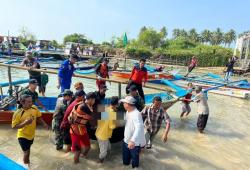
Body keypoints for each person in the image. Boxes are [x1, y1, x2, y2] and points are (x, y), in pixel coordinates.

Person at [11, 94, 49, 167]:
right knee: (27, 152)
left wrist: (44, 124)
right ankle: (26, 166)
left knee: (28, 150)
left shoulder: (34, 108)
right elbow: (14, 126)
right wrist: (25, 123)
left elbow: (38, 117)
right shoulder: (18, 113)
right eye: (28, 102)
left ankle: (26, 163)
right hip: (22, 136)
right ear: (22, 102)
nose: (31, 103)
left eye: (31, 101)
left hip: (31, 135)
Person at [68, 92, 96, 163]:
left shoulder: (86, 104)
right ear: (91, 99)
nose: (94, 102)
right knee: (77, 151)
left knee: (88, 147)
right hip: (75, 130)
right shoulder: (83, 106)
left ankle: (83, 157)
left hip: (82, 129)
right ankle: (76, 165)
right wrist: (109, 113)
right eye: (94, 100)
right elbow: (95, 117)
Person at [120, 96, 146, 168]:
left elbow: (139, 127)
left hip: (134, 143)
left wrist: (132, 140)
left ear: (128, 104)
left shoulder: (136, 114)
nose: (123, 104)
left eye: (124, 103)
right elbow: (125, 120)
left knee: (134, 163)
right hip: (126, 141)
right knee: (125, 162)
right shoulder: (128, 111)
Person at [95, 96, 118, 163]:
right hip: (103, 135)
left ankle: (105, 158)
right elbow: (111, 126)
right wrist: (117, 124)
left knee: (108, 148)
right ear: (116, 104)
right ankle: (100, 162)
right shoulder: (112, 113)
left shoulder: (104, 108)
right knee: (103, 153)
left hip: (99, 132)